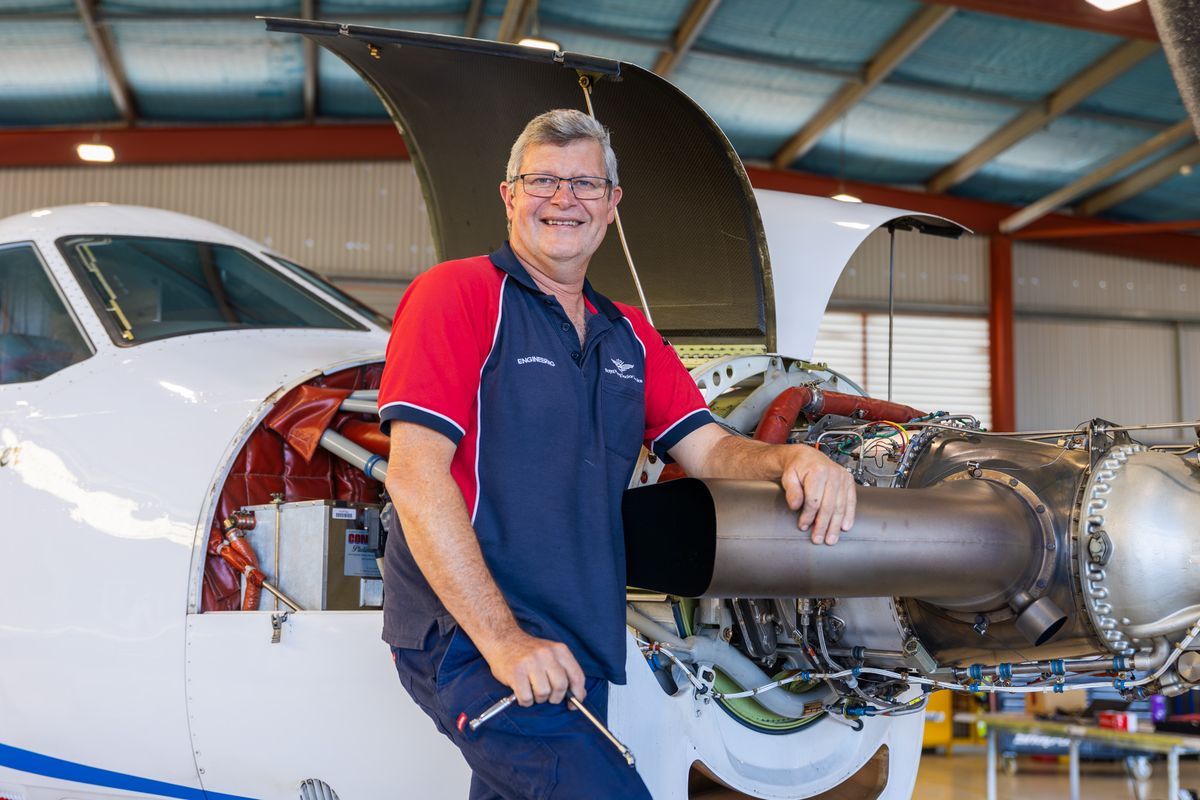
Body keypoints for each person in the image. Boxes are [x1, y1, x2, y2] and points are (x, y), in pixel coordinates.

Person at [379, 108, 856, 799]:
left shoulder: (628, 336)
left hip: (578, 642)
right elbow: (415, 476)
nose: (564, 199)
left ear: (612, 207)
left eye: (586, 184)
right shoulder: (457, 296)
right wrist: (505, 640)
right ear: (509, 195)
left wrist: (789, 462)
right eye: (542, 180)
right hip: (471, 633)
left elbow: (712, 449)